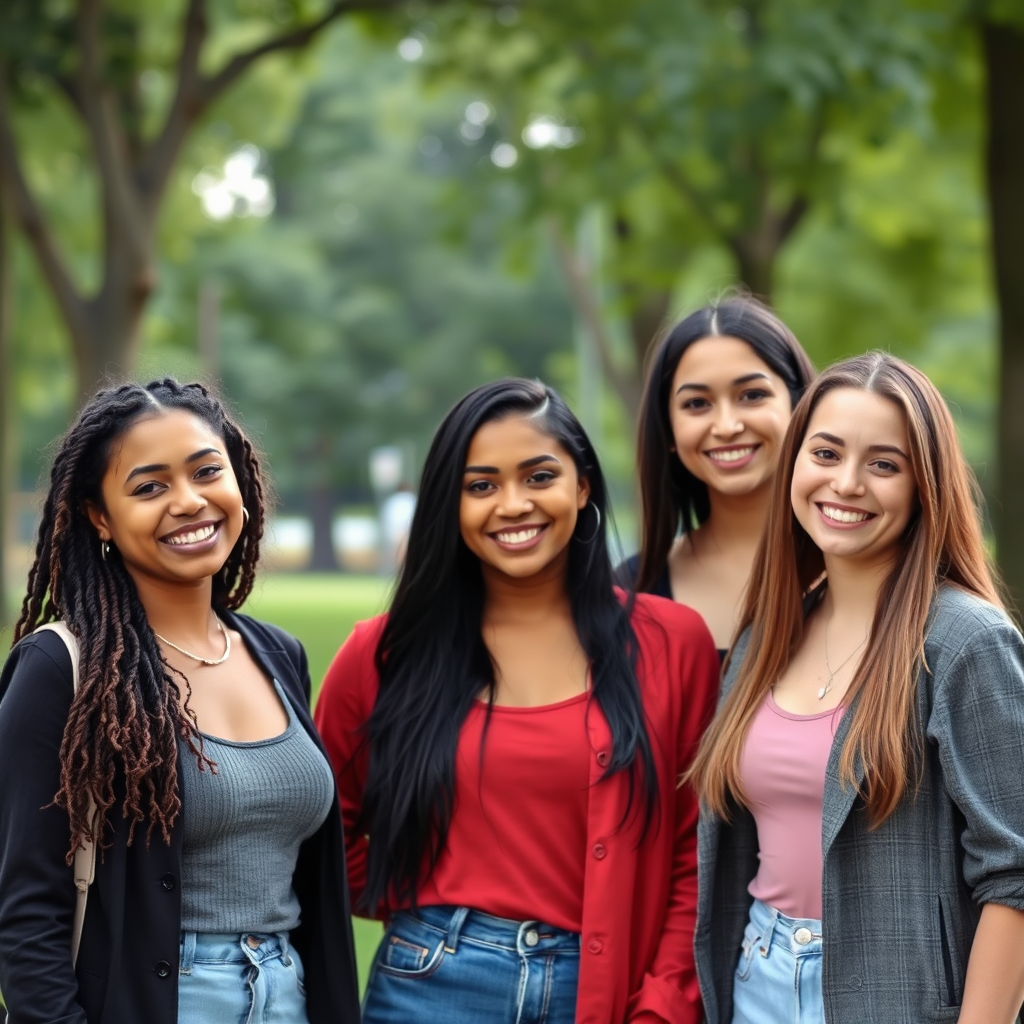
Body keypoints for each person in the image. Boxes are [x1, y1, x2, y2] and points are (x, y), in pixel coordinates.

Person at [314, 378, 720, 1024]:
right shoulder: (383, 655)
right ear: (451, 503)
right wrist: (413, 886)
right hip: (429, 986)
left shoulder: (674, 644)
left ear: (582, 485)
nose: (513, 505)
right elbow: (312, 830)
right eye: (481, 486)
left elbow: (694, 854)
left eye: (539, 477)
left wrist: (663, 1007)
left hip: (602, 992)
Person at [0, 379, 359, 1024]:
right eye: (149, 487)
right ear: (100, 516)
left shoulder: (279, 655)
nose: (189, 502)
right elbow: (25, 912)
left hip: (287, 995)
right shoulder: (62, 669)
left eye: (205, 472)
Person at [688, 352, 1024, 1024]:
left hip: (897, 994)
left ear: (924, 485)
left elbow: (1015, 876)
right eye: (827, 452)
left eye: (884, 464)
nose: (846, 483)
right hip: (756, 976)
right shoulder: (768, 636)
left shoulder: (964, 642)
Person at [621, 296, 815, 655]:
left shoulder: (868, 572)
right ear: (668, 431)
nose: (726, 426)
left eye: (752, 395)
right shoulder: (625, 597)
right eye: (697, 403)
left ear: (799, 406)